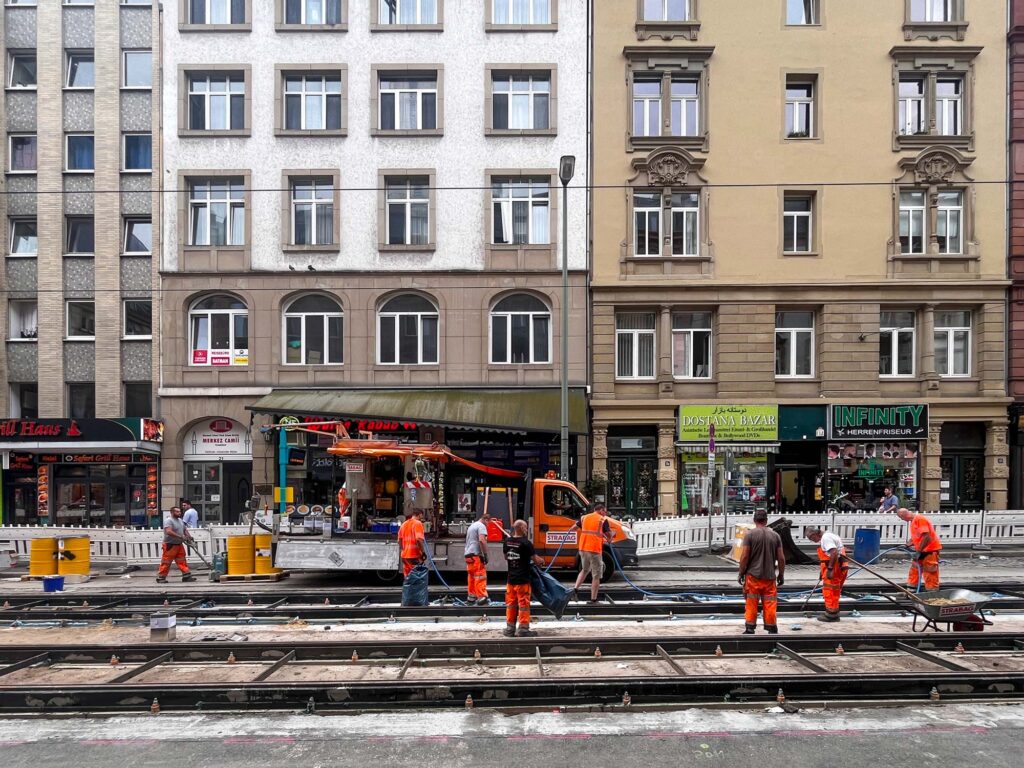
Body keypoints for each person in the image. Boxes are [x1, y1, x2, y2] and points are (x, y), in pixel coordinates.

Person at [737, 510, 785, 634]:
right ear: (766, 520)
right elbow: (781, 558)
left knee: (751, 602)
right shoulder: (775, 536)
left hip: (753, 576)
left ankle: (750, 628)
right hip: (769, 577)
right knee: (770, 603)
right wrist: (781, 574)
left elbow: (745, 556)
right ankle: (771, 628)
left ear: (754, 520)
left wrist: (741, 573)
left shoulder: (750, 535)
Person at [502, 519, 544, 637]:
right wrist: (542, 561)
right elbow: (536, 560)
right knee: (523, 605)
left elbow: (506, 557)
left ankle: (510, 629)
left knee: (511, 604)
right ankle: (523, 629)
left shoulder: (507, 541)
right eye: (525, 527)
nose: (526, 530)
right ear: (520, 528)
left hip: (511, 580)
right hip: (523, 580)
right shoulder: (526, 543)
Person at [804, 527, 848, 622]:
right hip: (835, 566)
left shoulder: (826, 538)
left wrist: (830, 569)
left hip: (834, 567)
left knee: (829, 591)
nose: (812, 541)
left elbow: (834, 553)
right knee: (835, 591)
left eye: (811, 538)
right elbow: (827, 557)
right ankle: (834, 612)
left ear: (815, 534)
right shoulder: (829, 535)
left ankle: (831, 614)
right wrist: (823, 570)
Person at [572, 502, 613, 604]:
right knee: (596, 575)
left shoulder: (584, 518)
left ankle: (575, 590)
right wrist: (610, 538)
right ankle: (593, 600)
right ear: (600, 510)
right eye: (605, 511)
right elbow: (608, 533)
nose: (605, 514)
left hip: (583, 548)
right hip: (594, 550)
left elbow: (573, 528)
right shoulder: (602, 519)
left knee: (585, 570)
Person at [897, 507, 942, 590]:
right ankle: (912, 590)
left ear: (904, 515)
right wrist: (907, 545)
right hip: (922, 550)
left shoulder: (919, 519)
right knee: (915, 569)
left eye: (901, 518)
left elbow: (926, 536)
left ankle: (932, 593)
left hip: (930, 550)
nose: (902, 520)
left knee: (930, 572)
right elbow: (918, 537)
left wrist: (918, 551)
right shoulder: (913, 521)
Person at [157, 506, 196, 584]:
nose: (179, 513)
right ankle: (161, 577)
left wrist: (189, 537)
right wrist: (180, 536)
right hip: (170, 545)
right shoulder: (169, 521)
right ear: (172, 512)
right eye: (177, 512)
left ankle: (186, 576)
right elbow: (168, 531)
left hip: (179, 544)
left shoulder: (180, 521)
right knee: (166, 562)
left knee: (182, 560)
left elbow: (184, 530)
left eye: (179, 511)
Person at [464, 508, 491, 605]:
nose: (488, 526)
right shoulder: (481, 526)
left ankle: (471, 597)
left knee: (472, 576)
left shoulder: (472, 525)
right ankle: (482, 597)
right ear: (486, 520)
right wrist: (485, 554)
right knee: (480, 576)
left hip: (468, 555)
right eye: (488, 523)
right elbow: (482, 540)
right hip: (476, 555)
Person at [397, 508, 427, 578]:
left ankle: (408, 588)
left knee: (407, 576)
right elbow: (419, 539)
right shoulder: (418, 523)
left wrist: (403, 550)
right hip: (414, 555)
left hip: (405, 555)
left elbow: (399, 540)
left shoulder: (404, 524)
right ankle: (415, 589)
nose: (421, 518)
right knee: (417, 576)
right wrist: (422, 552)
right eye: (421, 516)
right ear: (419, 515)